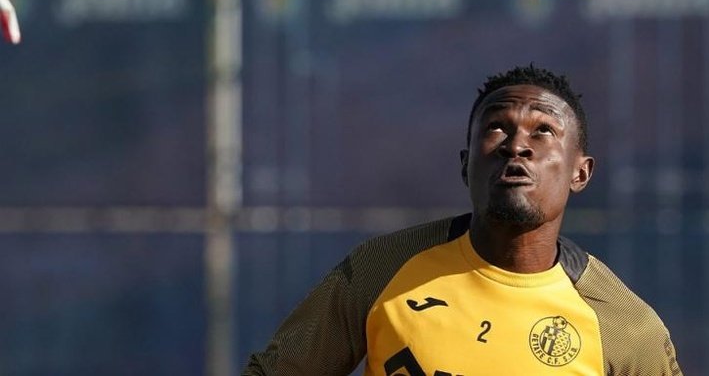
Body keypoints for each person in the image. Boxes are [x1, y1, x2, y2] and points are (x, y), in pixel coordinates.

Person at [243, 64, 683, 375]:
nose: (517, 146)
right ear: (465, 164)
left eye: (543, 131)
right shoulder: (382, 268)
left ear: (580, 172)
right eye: (497, 128)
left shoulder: (625, 327)